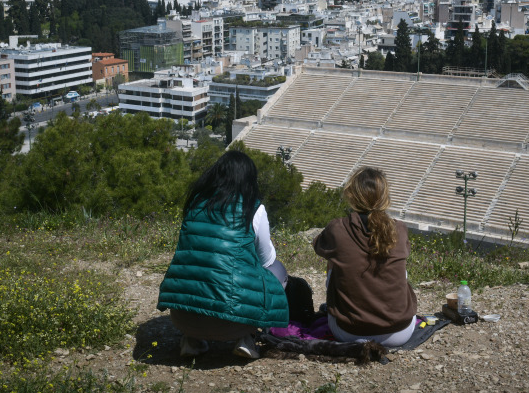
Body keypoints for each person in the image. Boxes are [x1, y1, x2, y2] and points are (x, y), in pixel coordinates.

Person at [157, 150, 289, 359]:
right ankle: (248, 338)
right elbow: (267, 259)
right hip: (232, 324)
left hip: (182, 318)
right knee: (278, 270)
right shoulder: (252, 208)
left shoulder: (195, 204)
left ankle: (192, 340)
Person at [313, 166, 417, 347]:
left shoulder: (338, 228)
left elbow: (318, 245)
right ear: (386, 197)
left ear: (352, 195)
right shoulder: (399, 229)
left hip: (350, 332)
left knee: (333, 261)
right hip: (400, 332)